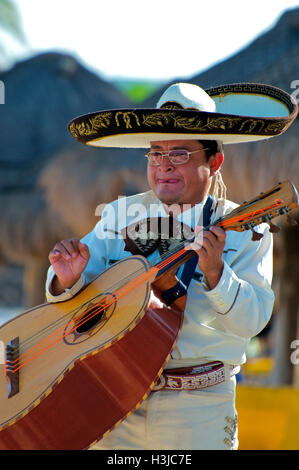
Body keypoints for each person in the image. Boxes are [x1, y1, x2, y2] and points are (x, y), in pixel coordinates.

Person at [45, 82, 298, 450]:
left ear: (214, 161)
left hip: (201, 409)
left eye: (179, 153)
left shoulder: (250, 228)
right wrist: (67, 278)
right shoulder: (117, 214)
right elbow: (64, 292)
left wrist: (217, 276)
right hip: (114, 403)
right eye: (155, 153)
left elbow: (254, 320)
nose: (163, 165)